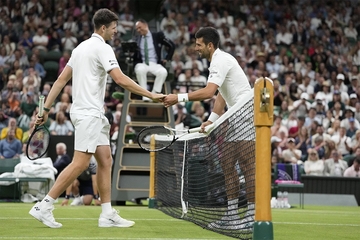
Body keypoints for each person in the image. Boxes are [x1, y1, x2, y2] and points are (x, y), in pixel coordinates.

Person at [29, 8, 165, 229]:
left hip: (90, 113)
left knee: (105, 160)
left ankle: (107, 213)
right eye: (113, 28)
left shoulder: (79, 48)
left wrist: (43, 110)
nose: (115, 32)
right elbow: (120, 79)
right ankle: (44, 205)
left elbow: (60, 81)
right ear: (103, 28)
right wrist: (151, 95)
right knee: (80, 163)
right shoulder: (103, 48)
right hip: (89, 114)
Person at [163, 27, 253, 230]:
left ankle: (251, 217)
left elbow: (209, 92)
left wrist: (179, 97)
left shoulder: (220, 60)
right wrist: (212, 119)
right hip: (234, 114)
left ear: (210, 45)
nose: (196, 48)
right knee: (227, 164)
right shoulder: (219, 61)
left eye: (199, 44)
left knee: (248, 168)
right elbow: (221, 93)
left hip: (246, 114)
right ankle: (232, 216)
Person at [133, 19, 175, 101]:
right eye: (137, 29)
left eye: (140, 27)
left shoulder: (156, 36)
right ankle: (145, 94)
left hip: (155, 63)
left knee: (163, 72)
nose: (138, 30)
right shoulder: (137, 39)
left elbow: (172, 46)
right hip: (143, 63)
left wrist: (167, 58)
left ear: (145, 25)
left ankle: (155, 94)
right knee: (139, 70)